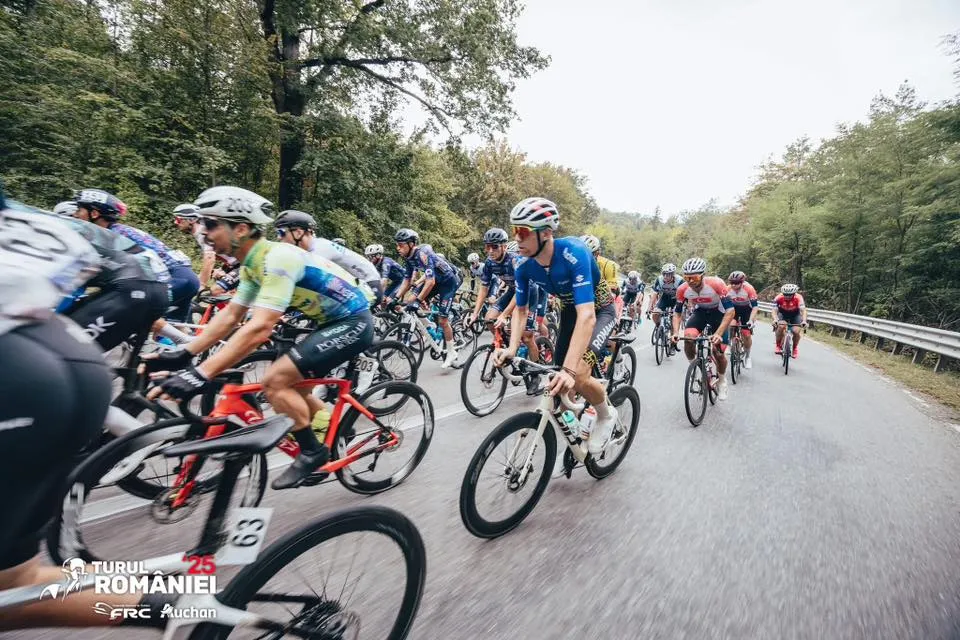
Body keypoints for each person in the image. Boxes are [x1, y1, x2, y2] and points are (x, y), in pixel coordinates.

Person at [0, 188, 166, 631]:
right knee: (16, 584)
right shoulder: (89, 230)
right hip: (53, 352)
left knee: (13, 589)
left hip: (39, 364)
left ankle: (123, 431)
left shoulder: (105, 232)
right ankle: (184, 606)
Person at [144, 186, 376, 491]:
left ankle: (312, 452)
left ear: (241, 228)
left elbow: (259, 327)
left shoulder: (277, 258)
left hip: (352, 322)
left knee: (275, 381)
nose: (203, 232)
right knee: (292, 386)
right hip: (326, 322)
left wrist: (200, 374)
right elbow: (231, 317)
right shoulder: (252, 263)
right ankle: (330, 427)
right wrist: (185, 354)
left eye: (211, 224)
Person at [495, 197, 619, 457]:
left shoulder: (575, 253)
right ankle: (577, 426)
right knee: (558, 383)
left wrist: (570, 370)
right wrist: (512, 348)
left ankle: (606, 415)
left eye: (524, 232)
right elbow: (521, 309)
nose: (517, 239)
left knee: (578, 374)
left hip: (599, 311)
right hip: (570, 313)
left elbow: (587, 316)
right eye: (515, 230)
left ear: (547, 233)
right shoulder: (524, 265)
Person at [72, 189, 199, 324]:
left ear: (94, 213)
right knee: (175, 329)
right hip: (184, 277)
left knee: (127, 314)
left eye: (79, 210)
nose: (75, 214)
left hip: (173, 278)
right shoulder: (118, 230)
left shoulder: (109, 235)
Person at [386, 228, 462, 368]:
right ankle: (430, 326)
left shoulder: (422, 254)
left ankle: (451, 352)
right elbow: (407, 280)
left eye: (401, 245)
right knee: (409, 301)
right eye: (397, 245)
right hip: (434, 282)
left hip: (447, 282)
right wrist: (395, 298)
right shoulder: (408, 258)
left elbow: (430, 281)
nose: (398, 248)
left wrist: (419, 300)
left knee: (443, 319)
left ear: (411, 244)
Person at [272, 209, 382, 301]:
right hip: (354, 285)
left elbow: (305, 279)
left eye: (281, 232)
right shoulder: (311, 248)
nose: (278, 237)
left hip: (369, 282)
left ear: (299, 233)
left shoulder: (320, 248)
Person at [671, 257, 736, 401]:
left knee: (718, 352)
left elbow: (730, 311)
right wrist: (675, 332)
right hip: (700, 313)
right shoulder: (682, 289)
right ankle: (695, 366)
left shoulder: (717, 284)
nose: (690, 281)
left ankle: (722, 381)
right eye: (686, 277)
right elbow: (677, 312)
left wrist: (718, 333)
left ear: (702, 275)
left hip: (719, 313)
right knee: (688, 337)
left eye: (693, 277)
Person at [467, 228, 519, 330]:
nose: (490, 251)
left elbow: (521, 290)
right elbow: (483, 288)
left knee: (523, 333)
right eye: (487, 246)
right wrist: (474, 314)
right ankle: (502, 344)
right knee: (489, 320)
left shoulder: (514, 260)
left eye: (495, 247)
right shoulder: (489, 262)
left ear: (504, 247)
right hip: (513, 290)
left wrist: (504, 314)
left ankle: (546, 338)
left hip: (528, 291)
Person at [172, 203, 216, 288]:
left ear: (192, 220)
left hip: (242, 265)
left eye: (178, 219)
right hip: (235, 265)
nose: (175, 222)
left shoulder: (203, 233)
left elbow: (210, 259)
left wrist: (201, 284)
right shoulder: (200, 233)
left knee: (216, 291)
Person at [726, 271, 758, 368]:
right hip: (734, 309)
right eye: (732, 283)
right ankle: (729, 343)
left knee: (746, 334)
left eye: (736, 283)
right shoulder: (727, 289)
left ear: (742, 282)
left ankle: (748, 357)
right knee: (731, 325)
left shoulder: (749, 288)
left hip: (747, 310)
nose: (734, 285)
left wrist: (751, 320)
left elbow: (755, 307)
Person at [648, 263, 681, 342]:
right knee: (655, 313)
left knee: (674, 319)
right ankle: (658, 327)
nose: (665, 276)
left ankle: (673, 343)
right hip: (665, 298)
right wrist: (649, 307)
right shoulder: (659, 279)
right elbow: (655, 294)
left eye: (668, 274)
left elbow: (684, 295)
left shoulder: (680, 281)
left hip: (676, 299)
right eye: (664, 274)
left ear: (673, 274)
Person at [773, 283, 807, 358]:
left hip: (795, 315)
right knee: (781, 326)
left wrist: (804, 321)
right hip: (783, 314)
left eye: (790, 295)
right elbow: (774, 310)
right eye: (785, 294)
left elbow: (803, 311)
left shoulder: (799, 297)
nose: (787, 296)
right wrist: (775, 319)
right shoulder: (778, 297)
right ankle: (778, 345)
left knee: (796, 331)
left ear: (794, 294)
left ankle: (795, 348)